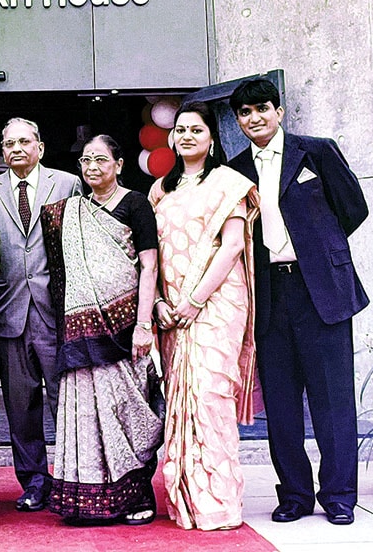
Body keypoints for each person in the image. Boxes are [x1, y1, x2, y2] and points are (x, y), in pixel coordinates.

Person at [227, 79, 368, 526]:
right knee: (283, 405)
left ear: (280, 111)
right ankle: (293, 494)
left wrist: (318, 250)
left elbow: (353, 208)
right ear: (238, 121)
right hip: (269, 293)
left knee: (333, 399)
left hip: (320, 289)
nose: (255, 118)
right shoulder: (233, 171)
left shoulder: (316, 151)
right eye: (246, 112)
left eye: (263, 109)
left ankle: (340, 495)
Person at [40, 135, 164, 525]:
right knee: (85, 413)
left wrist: (144, 324)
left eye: (101, 160)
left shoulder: (136, 204)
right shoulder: (70, 213)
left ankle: (135, 497)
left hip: (125, 327)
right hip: (81, 332)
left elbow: (149, 265)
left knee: (127, 412)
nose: (92, 167)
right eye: (86, 161)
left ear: (120, 164)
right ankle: (85, 499)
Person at [148, 101, 259, 530]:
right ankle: (185, 500)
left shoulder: (230, 183)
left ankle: (219, 503)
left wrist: (195, 299)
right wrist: (160, 302)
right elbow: (151, 255)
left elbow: (231, 246)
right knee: (181, 399)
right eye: (181, 130)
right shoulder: (161, 190)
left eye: (197, 129)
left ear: (212, 137)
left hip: (216, 304)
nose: (188, 136)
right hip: (173, 310)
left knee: (210, 396)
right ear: (172, 138)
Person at [0, 118, 82, 512]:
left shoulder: (67, 184)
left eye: (24, 141)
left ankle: (73, 478)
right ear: (2, 151)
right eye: (8, 143)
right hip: (9, 310)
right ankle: (34, 481)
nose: (16, 148)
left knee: (64, 399)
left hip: (55, 309)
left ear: (40, 146)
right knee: (20, 406)